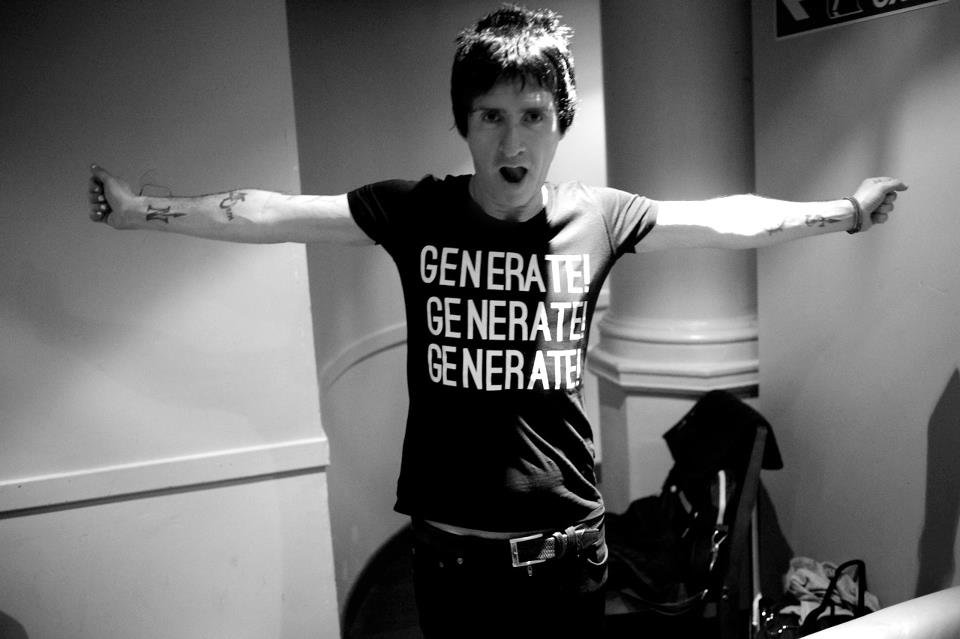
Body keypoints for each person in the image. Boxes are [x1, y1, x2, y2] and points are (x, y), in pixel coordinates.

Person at [87, 5, 906, 637]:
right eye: (491, 115)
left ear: (560, 122)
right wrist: (141, 211)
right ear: (465, 122)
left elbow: (725, 217)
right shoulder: (417, 212)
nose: (513, 140)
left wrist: (843, 212)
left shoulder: (599, 216)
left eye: (534, 115)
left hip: (567, 558)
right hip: (450, 562)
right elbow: (272, 211)